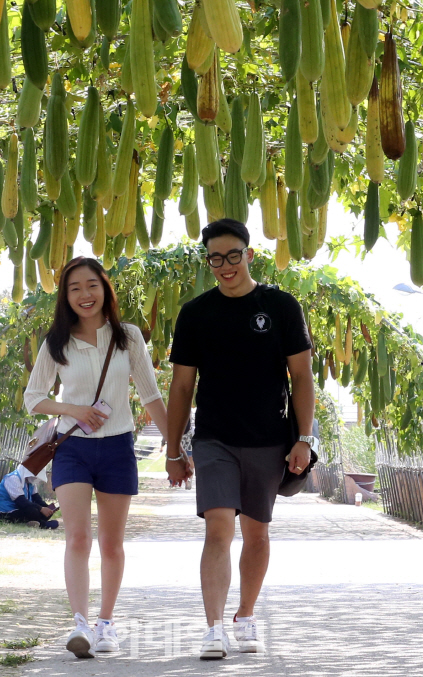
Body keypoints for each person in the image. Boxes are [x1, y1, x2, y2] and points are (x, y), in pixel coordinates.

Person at [167, 218, 316, 659]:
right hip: (214, 438)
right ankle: (214, 628)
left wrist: (303, 438)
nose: (225, 265)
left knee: (257, 533)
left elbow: (302, 376)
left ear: (249, 255)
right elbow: (180, 387)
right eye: (216, 258)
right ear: (208, 261)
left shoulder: (282, 306)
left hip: (269, 439)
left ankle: (245, 615)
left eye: (233, 255)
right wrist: (174, 450)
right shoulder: (195, 314)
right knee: (218, 528)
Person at [24, 256, 167, 660]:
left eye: (91, 285)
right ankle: (80, 623)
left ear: (105, 289)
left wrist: (176, 447)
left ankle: (107, 624)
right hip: (73, 450)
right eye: (74, 289)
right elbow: (33, 399)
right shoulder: (57, 342)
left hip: (118, 447)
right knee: (78, 538)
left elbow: (152, 395)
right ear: (66, 298)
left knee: (111, 543)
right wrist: (73, 410)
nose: (84, 295)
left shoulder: (129, 337)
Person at [0, 462, 59, 529]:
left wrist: (48, 508)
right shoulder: (13, 478)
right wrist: (41, 509)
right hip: (7, 513)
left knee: (41, 510)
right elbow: (22, 502)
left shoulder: (30, 483)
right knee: (33, 511)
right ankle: (42, 524)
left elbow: (37, 499)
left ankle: (35, 523)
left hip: (21, 510)